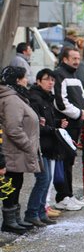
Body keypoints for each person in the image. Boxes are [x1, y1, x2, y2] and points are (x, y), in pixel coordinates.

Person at [0, 66, 41, 234]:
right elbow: (13, 128)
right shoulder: (11, 99)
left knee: (16, 182)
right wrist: (28, 145)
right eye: (25, 77)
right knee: (11, 184)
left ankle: (15, 219)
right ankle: (9, 221)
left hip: (17, 150)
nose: (27, 80)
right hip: (14, 150)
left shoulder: (16, 96)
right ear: (17, 80)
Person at [25, 68, 64, 226]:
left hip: (48, 146)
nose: (51, 83)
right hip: (39, 146)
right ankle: (32, 213)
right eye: (47, 79)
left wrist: (58, 123)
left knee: (46, 180)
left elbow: (46, 121)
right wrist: (53, 129)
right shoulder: (35, 98)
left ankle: (40, 212)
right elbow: (35, 126)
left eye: (52, 80)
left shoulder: (47, 98)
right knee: (43, 179)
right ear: (39, 81)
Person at [52, 46, 84, 211]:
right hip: (66, 125)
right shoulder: (59, 74)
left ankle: (70, 195)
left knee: (70, 161)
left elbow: (81, 98)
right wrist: (79, 113)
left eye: (78, 58)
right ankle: (63, 196)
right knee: (64, 161)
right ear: (64, 59)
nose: (77, 61)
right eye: (73, 58)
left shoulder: (76, 76)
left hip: (77, 125)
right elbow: (60, 102)